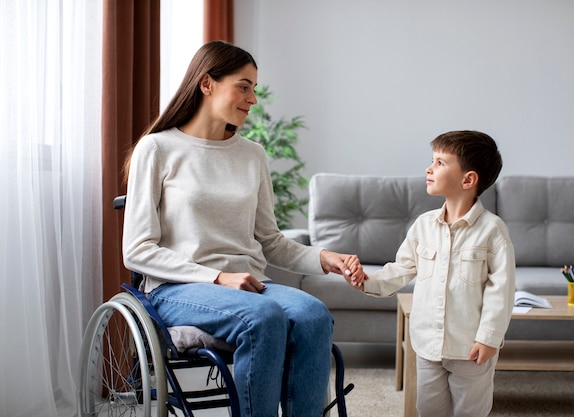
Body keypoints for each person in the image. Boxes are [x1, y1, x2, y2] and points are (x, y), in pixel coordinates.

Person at [122, 41, 363, 417]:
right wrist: (218, 277)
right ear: (207, 84)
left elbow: (271, 240)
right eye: (243, 85)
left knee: (314, 314)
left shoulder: (252, 154)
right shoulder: (157, 149)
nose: (252, 98)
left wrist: (324, 258)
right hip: (177, 288)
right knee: (263, 319)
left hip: (248, 286)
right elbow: (137, 249)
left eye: (254, 88)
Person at [346, 131, 515, 417]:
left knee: (470, 411)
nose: (428, 168)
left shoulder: (493, 230)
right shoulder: (423, 226)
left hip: (469, 348)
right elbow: (401, 269)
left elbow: (502, 289)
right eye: (432, 161)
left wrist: (488, 337)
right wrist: (366, 280)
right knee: (428, 410)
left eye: (439, 162)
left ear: (468, 179)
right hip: (426, 346)